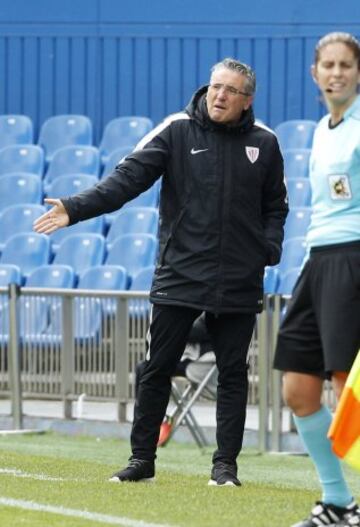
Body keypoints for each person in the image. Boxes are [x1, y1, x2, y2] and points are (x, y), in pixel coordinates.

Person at [34, 57, 288, 486]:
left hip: (239, 280)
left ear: (247, 100)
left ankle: (225, 468)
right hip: (179, 274)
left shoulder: (265, 143)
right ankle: (142, 461)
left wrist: (268, 249)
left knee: (232, 374)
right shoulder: (176, 130)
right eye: (215, 87)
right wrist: (75, 208)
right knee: (156, 369)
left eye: (230, 91)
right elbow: (126, 180)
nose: (219, 96)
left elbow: (276, 206)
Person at [273, 32, 360, 527]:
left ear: (357, 71)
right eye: (328, 64)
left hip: (353, 259)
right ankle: (337, 501)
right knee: (299, 390)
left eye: (345, 64)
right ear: (315, 73)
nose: (336, 72)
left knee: (350, 390)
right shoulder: (323, 129)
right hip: (317, 261)